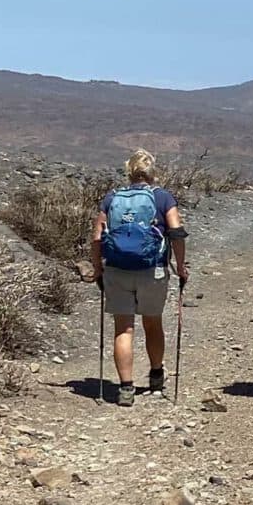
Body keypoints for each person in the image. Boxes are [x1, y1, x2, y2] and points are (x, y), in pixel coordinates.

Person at [91, 149, 187, 405]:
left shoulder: (112, 198)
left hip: (117, 269)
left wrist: (97, 269)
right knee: (152, 323)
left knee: (123, 328)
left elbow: (97, 237)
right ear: (152, 172)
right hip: (152, 269)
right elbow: (176, 232)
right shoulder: (162, 197)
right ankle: (156, 375)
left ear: (129, 171)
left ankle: (125, 388)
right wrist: (180, 266)